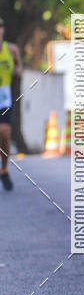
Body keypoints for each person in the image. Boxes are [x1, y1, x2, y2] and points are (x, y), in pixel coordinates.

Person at [0, 18, 22, 191]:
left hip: (4, 98)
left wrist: (17, 70)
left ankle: (4, 169)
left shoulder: (11, 50)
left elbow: (19, 68)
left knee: (5, 134)